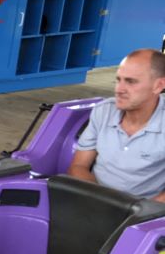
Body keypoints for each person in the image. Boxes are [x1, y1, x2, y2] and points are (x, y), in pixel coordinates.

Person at [67, 48, 165, 202]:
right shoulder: (103, 111)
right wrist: (103, 202)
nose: (119, 89)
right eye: (118, 80)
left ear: (158, 86)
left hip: (142, 215)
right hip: (96, 200)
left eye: (131, 81)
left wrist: (139, 214)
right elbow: (78, 166)